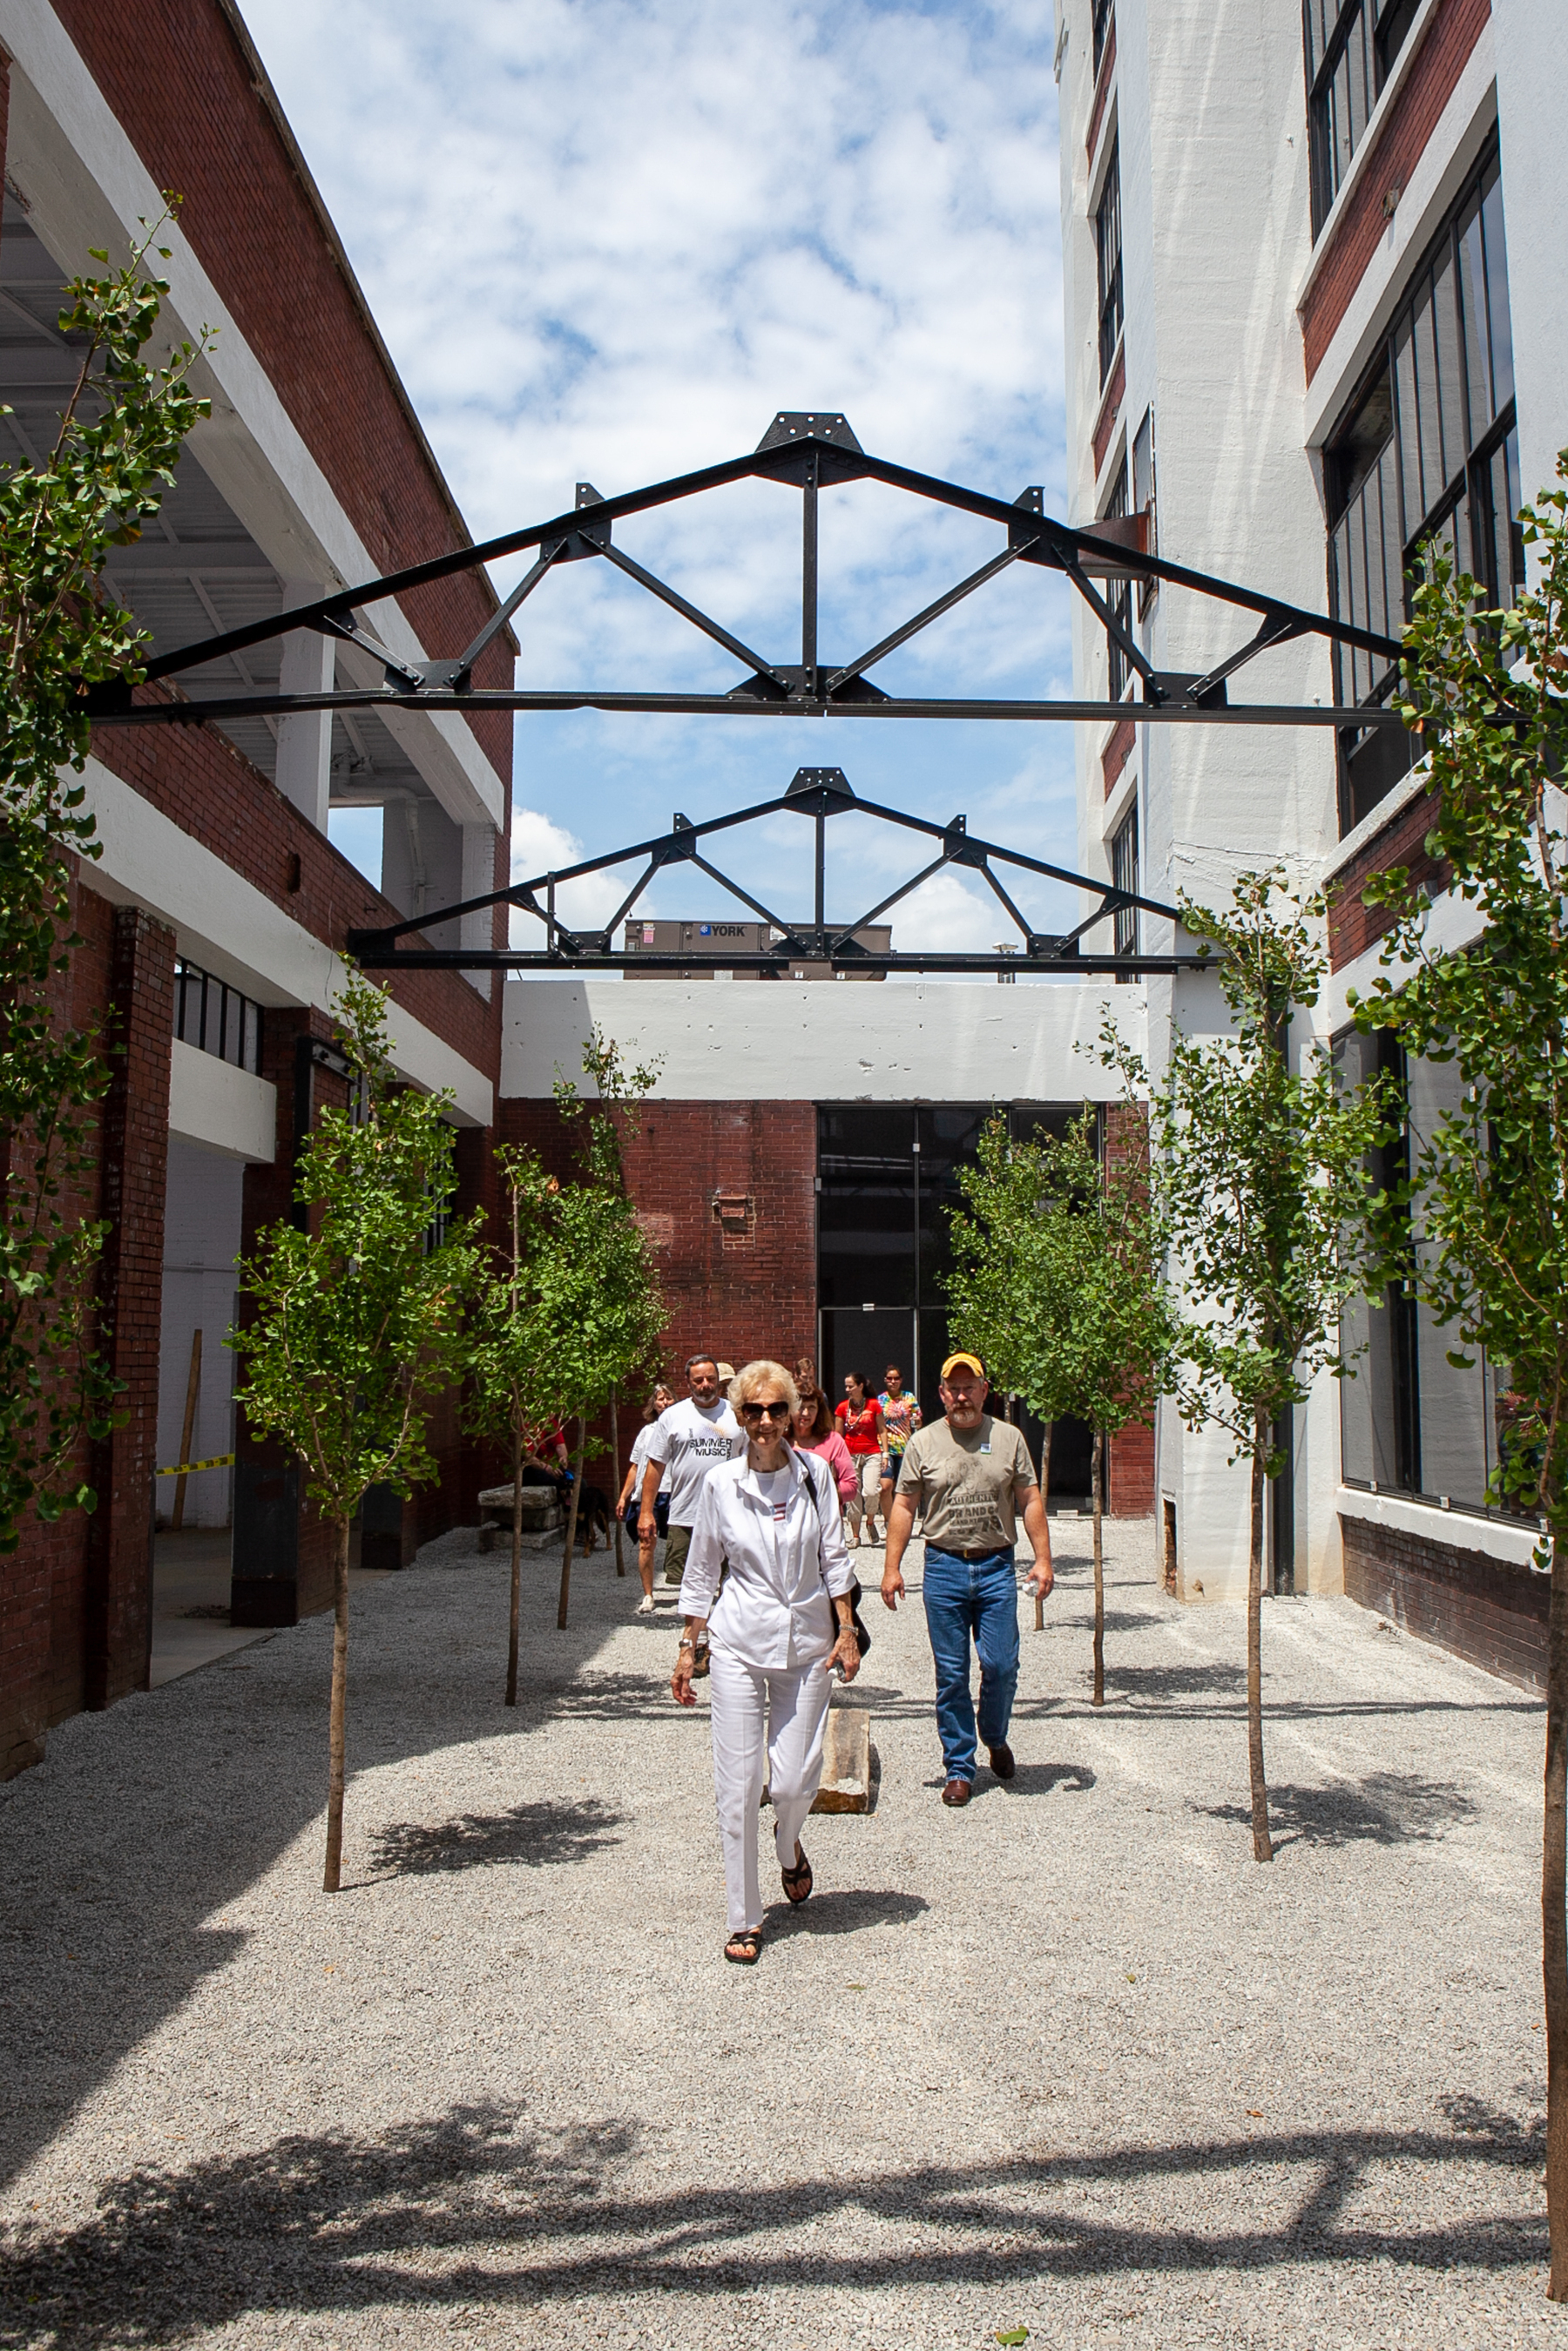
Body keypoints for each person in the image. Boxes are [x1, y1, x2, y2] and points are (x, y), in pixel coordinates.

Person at [671, 1360, 861, 1964]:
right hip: (737, 1644)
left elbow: (834, 1554)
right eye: (752, 1410)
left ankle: (788, 1845)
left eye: (777, 1408)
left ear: (795, 1413)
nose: (765, 1421)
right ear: (737, 1413)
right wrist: (687, 1645)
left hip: (807, 1645)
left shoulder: (814, 1477)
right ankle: (745, 1917)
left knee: (795, 1778)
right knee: (737, 1783)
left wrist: (847, 1627)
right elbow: (702, 1568)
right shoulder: (720, 1485)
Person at [881, 1350, 1053, 1807]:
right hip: (944, 1567)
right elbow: (903, 1506)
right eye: (953, 1388)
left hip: (997, 1566)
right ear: (941, 1393)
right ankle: (960, 1766)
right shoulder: (923, 1443)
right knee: (952, 1675)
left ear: (984, 1390)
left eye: (969, 1387)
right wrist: (892, 1567)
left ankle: (994, 1735)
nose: (961, 1396)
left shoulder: (1009, 1438)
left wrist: (1043, 1558)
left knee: (1001, 1665)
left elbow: (1030, 1499)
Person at [639, 1355, 745, 1608]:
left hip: (730, 1512)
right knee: (687, 1580)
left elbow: (753, 1460)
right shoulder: (673, 1416)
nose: (705, 1384)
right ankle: (693, 1633)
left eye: (711, 1378)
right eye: (699, 1380)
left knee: (732, 1580)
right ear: (688, 1382)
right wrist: (645, 1512)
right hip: (686, 1513)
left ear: (719, 1381)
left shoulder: (737, 1414)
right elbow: (654, 1465)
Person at [618, 1382, 675, 1613]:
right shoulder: (646, 1432)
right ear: (653, 1404)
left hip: (674, 1493)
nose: (664, 1403)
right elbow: (635, 1466)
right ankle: (648, 1595)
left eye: (668, 1398)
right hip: (647, 1496)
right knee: (646, 1544)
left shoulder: (681, 1429)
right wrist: (624, 1497)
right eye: (660, 1399)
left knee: (686, 1543)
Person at [835, 1373, 886, 1545]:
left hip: (872, 1452)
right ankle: (856, 1536)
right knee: (852, 1495)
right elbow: (838, 1435)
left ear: (861, 1386)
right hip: (850, 1454)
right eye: (846, 1387)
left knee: (871, 1491)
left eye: (851, 1386)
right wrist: (837, 1458)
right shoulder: (842, 1407)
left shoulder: (873, 1405)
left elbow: (882, 1429)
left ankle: (870, 1521)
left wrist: (885, 1453)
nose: (847, 1390)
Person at [792, 1386, 857, 1515]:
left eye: (811, 1407)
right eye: (800, 1406)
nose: (805, 1413)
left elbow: (851, 1486)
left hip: (825, 1519)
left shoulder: (833, 1441)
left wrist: (824, 1495)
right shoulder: (780, 1442)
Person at [877, 1364, 923, 1533]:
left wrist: (917, 1422)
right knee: (885, 1486)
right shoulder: (880, 1400)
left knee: (905, 1487)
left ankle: (903, 1521)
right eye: (890, 1378)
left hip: (905, 1447)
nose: (893, 1381)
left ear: (901, 1380)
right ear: (885, 1380)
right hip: (886, 1448)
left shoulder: (909, 1397)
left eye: (896, 1378)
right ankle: (889, 1522)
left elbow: (918, 1419)